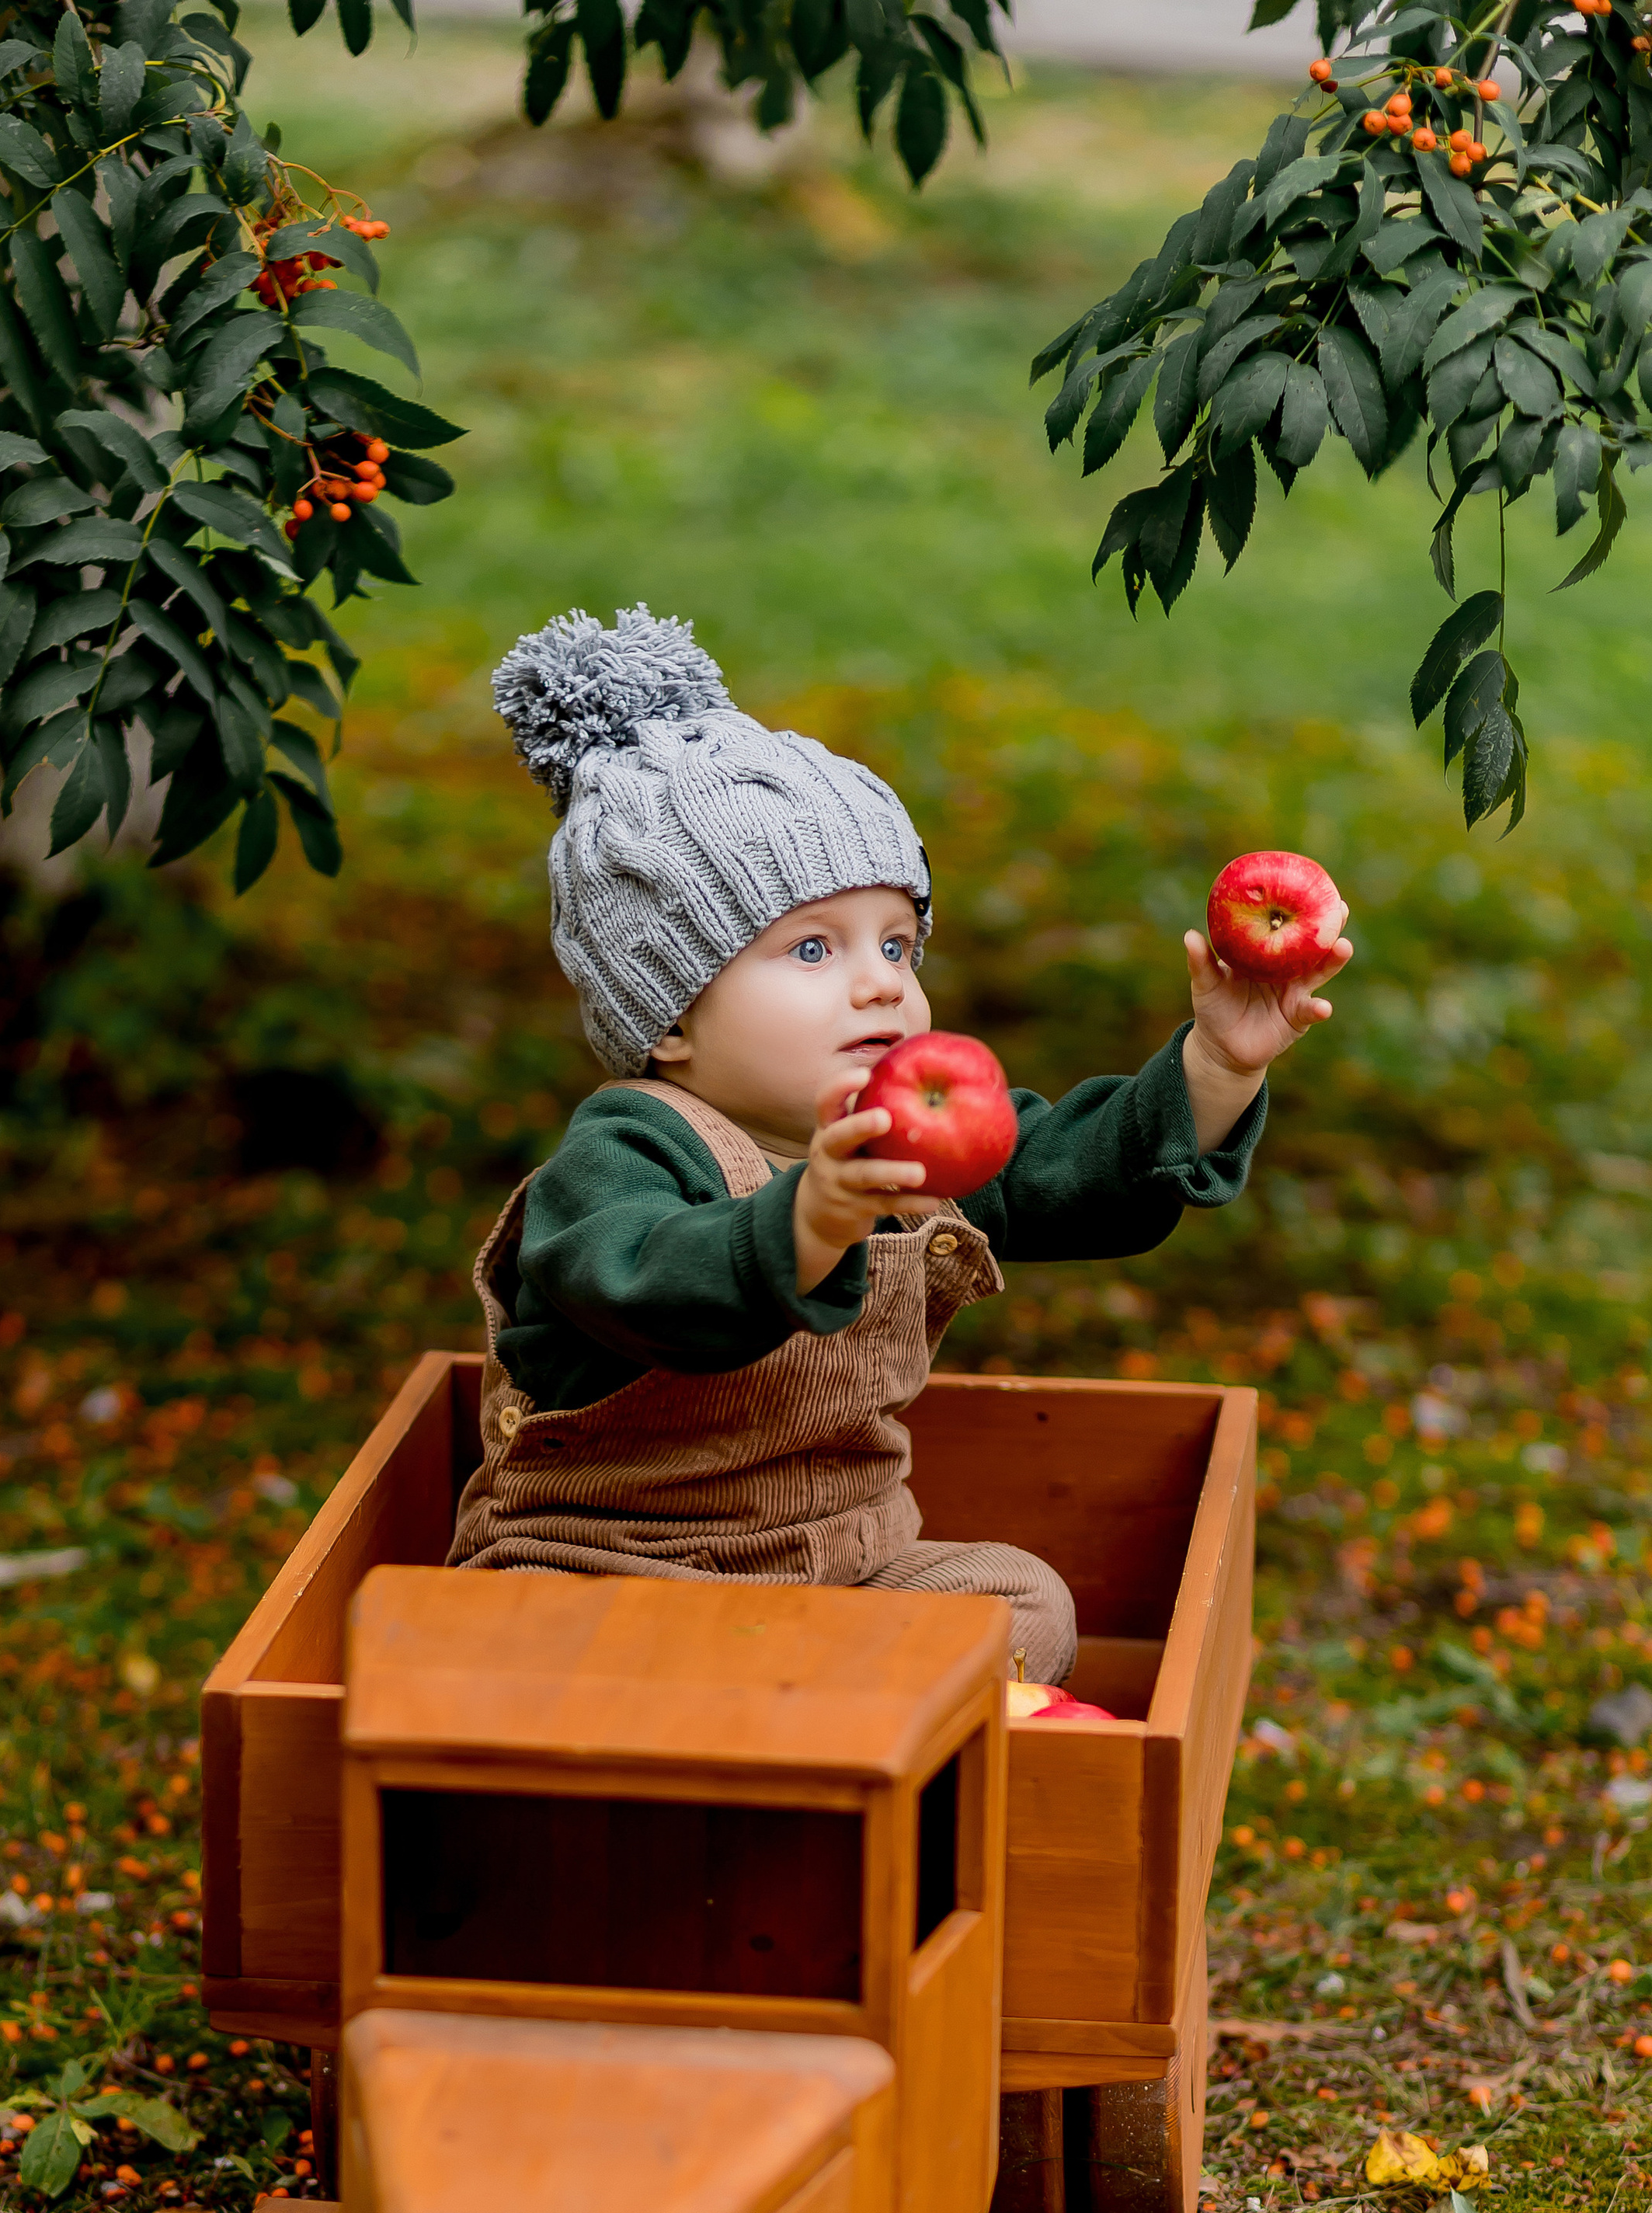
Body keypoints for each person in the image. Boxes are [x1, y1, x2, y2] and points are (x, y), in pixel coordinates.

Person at [448, 606, 1348, 1682]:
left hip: (838, 1571)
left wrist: (1219, 1063)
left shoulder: (909, 1138)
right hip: (607, 1569)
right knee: (522, 1653)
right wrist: (810, 1217)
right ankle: (802, 1704)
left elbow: (1075, 1170)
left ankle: (809, 1692)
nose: (881, 979)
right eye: (815, 948)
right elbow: (644, 1280)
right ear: (671, 1017)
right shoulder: (627, 1148)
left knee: (1024, 1605)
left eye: (896, 942)